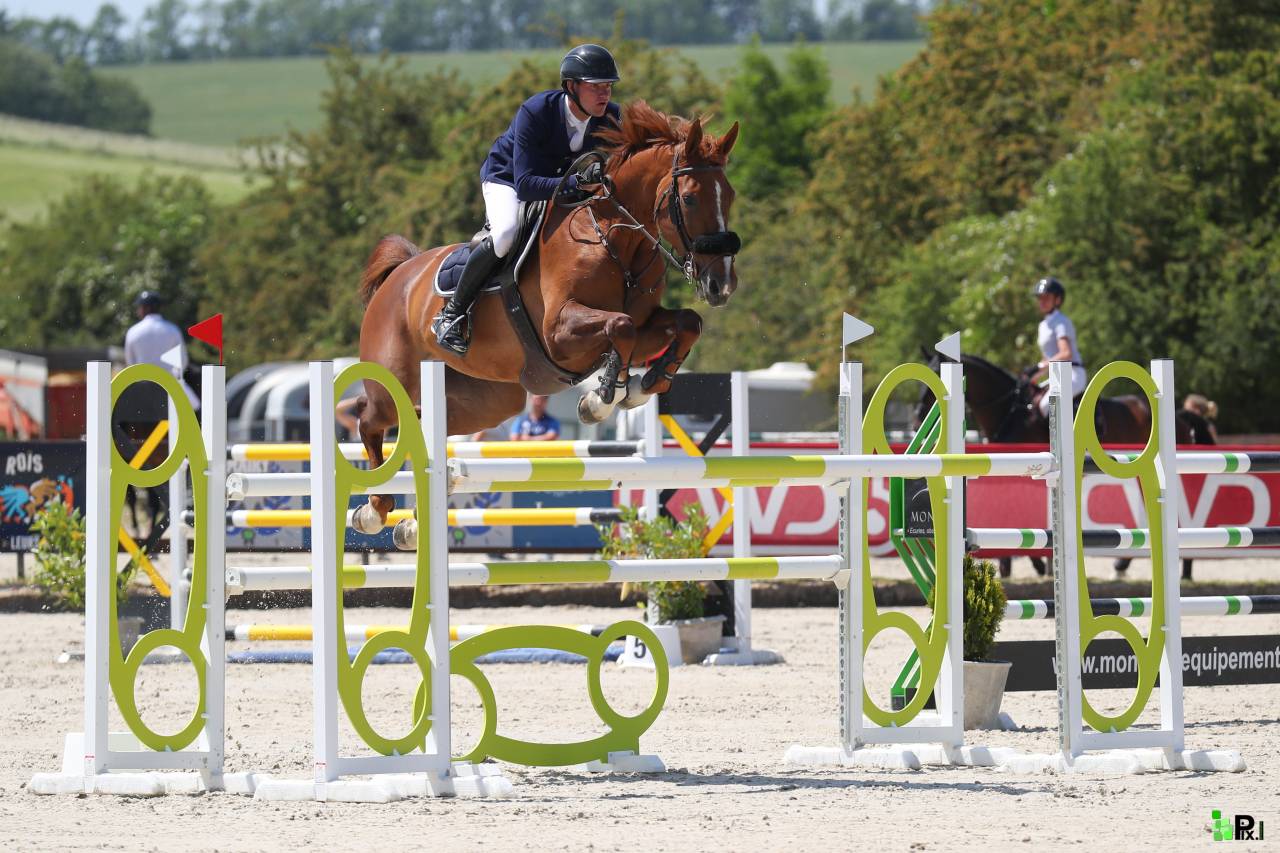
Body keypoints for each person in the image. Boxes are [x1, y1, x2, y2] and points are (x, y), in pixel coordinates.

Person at [431, 43, 623, 356]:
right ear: (571, 87)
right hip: (507, 179)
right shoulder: (537, 111)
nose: (604, 95)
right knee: (506, 233)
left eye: (608, 87)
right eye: (595, 87)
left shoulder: (611, 117)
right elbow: (526, 185)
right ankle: (451, 313)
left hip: (562, 185)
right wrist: (577, 183)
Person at [1027, 277, 1085, 416]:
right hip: (1056, 376)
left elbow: (1066, 353)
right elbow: (1047, 357)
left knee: (1045, 406)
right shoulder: (1043, 325)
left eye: (1046, 297)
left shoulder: (1061, 321)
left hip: (1072, 374)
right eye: (1039, 298)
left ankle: (1062, 437)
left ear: (1057, 300)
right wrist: (1034, 376)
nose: (1041, 301)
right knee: (1029, 401)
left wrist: (1040, 367)